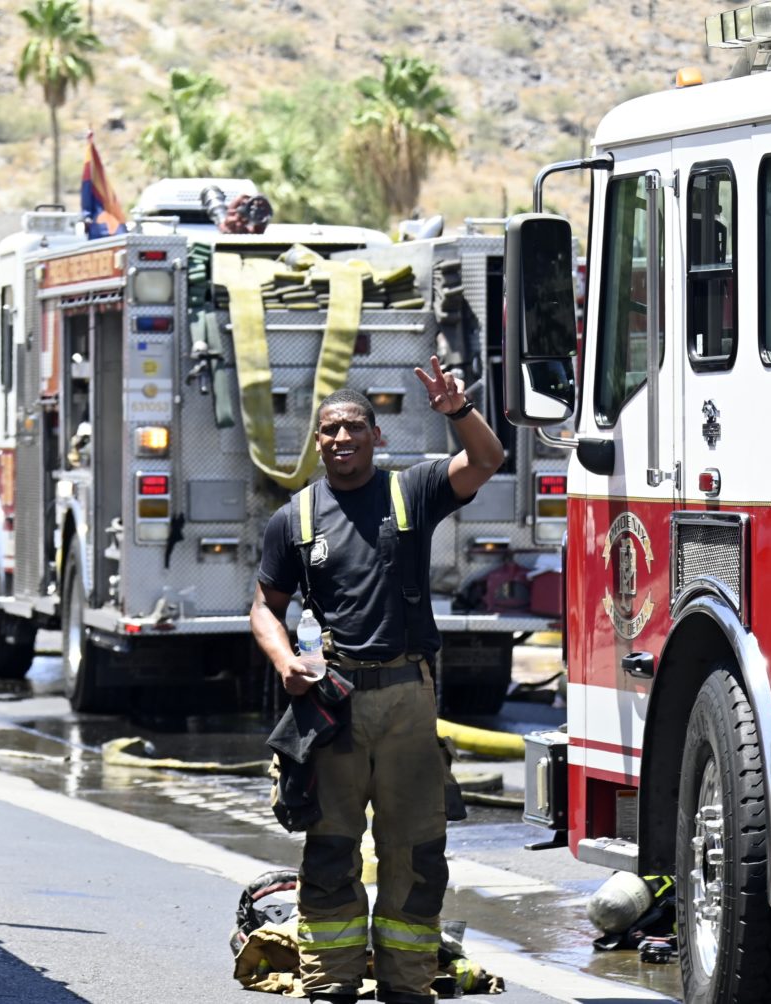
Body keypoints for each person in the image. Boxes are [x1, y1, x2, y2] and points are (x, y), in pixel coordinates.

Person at [250, 356, 504, 1004]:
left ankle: (407, 985)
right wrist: (285, 661)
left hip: (407, 701)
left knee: (416, 854)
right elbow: (264, 607)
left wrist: (457, 412)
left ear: (375, 436)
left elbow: (486, 460)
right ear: (317, 441)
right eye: (330, 430)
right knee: (330, 850)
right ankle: (329, 984)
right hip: (333, 704)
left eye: (354, 428)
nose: (342, 438)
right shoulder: (294, 519)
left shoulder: (411, 492)